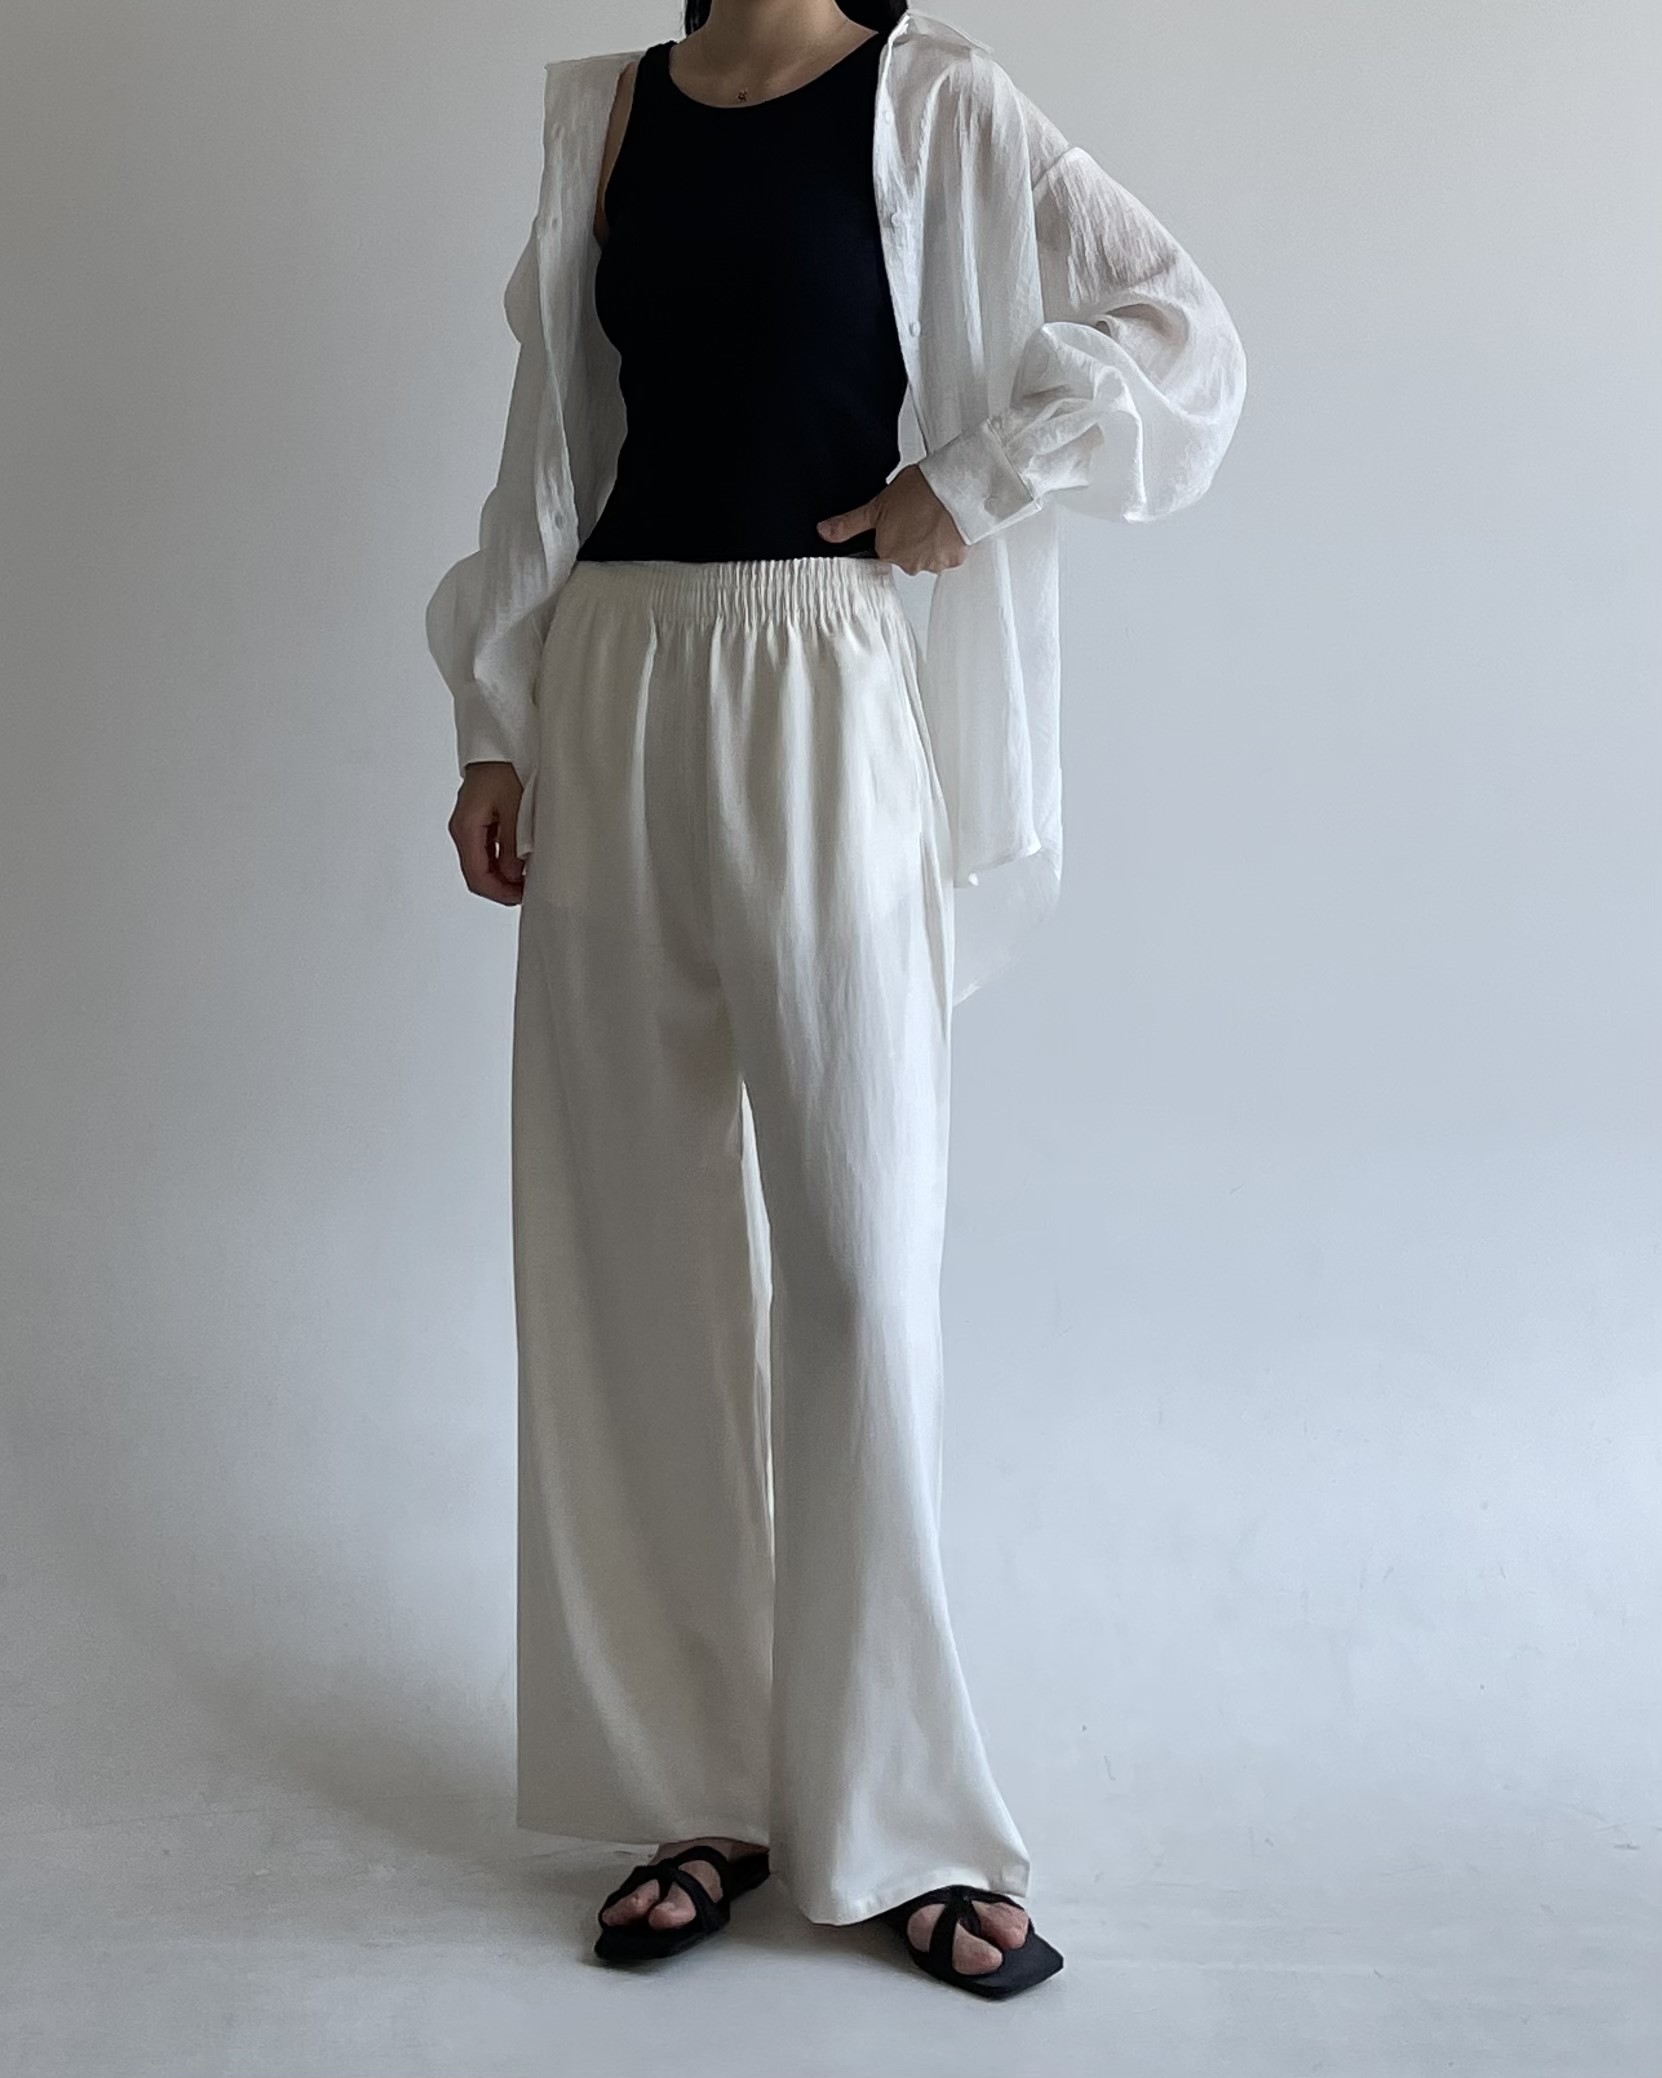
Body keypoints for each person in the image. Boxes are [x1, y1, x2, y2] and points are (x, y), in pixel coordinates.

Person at [426, 0, 1246, 2000]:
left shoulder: (937, 99)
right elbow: (553, 444)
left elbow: (1178, 323)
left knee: (864, 1266)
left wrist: (976, 475)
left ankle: (901, 1818)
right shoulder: (606, 114)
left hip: (825, 675)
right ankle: (691, 1790)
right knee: (633, 1255)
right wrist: (495, 716)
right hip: (614, 681)